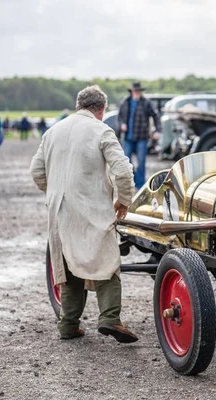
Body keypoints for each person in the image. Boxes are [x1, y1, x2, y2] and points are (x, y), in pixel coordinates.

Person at [30, 85, 138, 343]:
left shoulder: (52, 131)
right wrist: (123, 201)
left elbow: (36, 172)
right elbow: (123, 170)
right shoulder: (101, 130)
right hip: (91, 209)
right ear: (101, 110)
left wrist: (55, 190)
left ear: (79, 105)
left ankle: (68, 325)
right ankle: (110, 318)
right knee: (106, 261)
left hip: (59, 210)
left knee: (67, 266)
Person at [118, 82, 162, 189]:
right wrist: (122, 124)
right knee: (126, 161)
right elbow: (119, 117)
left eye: (138, 91)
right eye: (135, 91)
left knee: (141, 162)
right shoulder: (125, 102)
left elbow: (156, 116)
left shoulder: (146, 102)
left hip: (142, 137)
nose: (137, 93)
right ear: (132, 91)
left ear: (140, 92)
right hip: (128, 137)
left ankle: (140, 185)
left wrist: (158, 130)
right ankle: (134, 181)